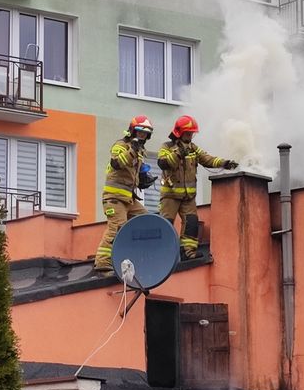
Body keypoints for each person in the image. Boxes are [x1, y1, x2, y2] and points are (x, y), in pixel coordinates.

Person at [156, 115, 238, 260]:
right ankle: (162, 254)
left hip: (188, 197)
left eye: (192, 133)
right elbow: (163, 163)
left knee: (192, 223)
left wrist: (224, 163)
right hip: (171, 195)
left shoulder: (193, 148)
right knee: (165, 225)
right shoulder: (167, 147)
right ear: (179, 132)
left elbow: (207, 159)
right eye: (188, 133)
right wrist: (178, 153)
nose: (190, 136)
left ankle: (187, 252)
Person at [93, 115, 155, 274]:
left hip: (128, 198)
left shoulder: (140, 151)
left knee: (146, 221)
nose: (142, 135)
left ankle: (136, 255)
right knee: (117, 227)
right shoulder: (121, 145)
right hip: (113, 198)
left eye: (145, 133)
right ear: (133, 130)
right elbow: (117, 163)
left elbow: (132, 172)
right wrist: (132, 151)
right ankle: (102, 262)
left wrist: (143, 179)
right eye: (140, 131)